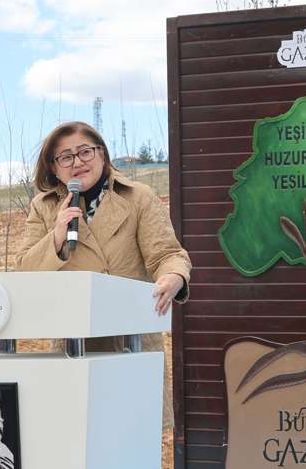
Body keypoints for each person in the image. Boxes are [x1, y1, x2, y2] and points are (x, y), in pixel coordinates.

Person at [16, 121, 190, 321]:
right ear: (54, 168)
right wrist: (56, 237)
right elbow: (24, 272)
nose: (78, 162)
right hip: (73, 336)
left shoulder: (139, 197)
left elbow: (166, 255)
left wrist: (174, 276)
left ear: (102, 154)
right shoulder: (43, 206)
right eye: (66, 157)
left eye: (85, 152)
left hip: (130, 332)